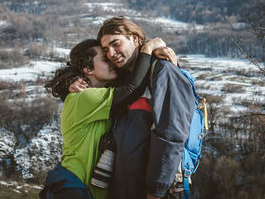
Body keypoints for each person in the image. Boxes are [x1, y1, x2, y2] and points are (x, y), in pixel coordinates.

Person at [71, 16, 195, 199]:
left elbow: (171, 135)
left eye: (116, 44)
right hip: (126, 186)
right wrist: (68, 82)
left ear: (135, 39)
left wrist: (156, 190)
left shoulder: (163, 71)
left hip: (157, 192)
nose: (111, 53)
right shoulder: (121, 79)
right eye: (106, 50)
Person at [39, 37, 170, 199]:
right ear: (87, 68)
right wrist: (148, 49)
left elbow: (130, 77)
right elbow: (132, 88)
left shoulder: (100, 95)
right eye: (104, 59)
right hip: (73, 187)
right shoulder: (83, 97)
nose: (111, 61)